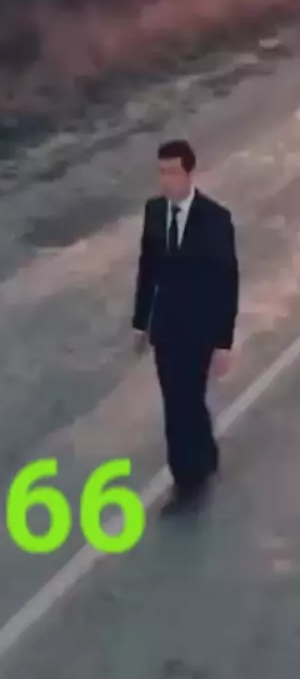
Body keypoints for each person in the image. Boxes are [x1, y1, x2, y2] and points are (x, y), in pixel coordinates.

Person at [132, 139, 239, 514]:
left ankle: (188, 482)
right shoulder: (154, 212)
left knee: (186, 400)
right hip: (165, 327)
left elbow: (227, 281)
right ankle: (198, 461)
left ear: (190, 172)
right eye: (162, 172)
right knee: (177, 401)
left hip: (200, 329)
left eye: (173, 172)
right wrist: (140, 322)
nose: (166, 180)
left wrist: (223, 342)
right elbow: (148, 269)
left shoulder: (215, 218)